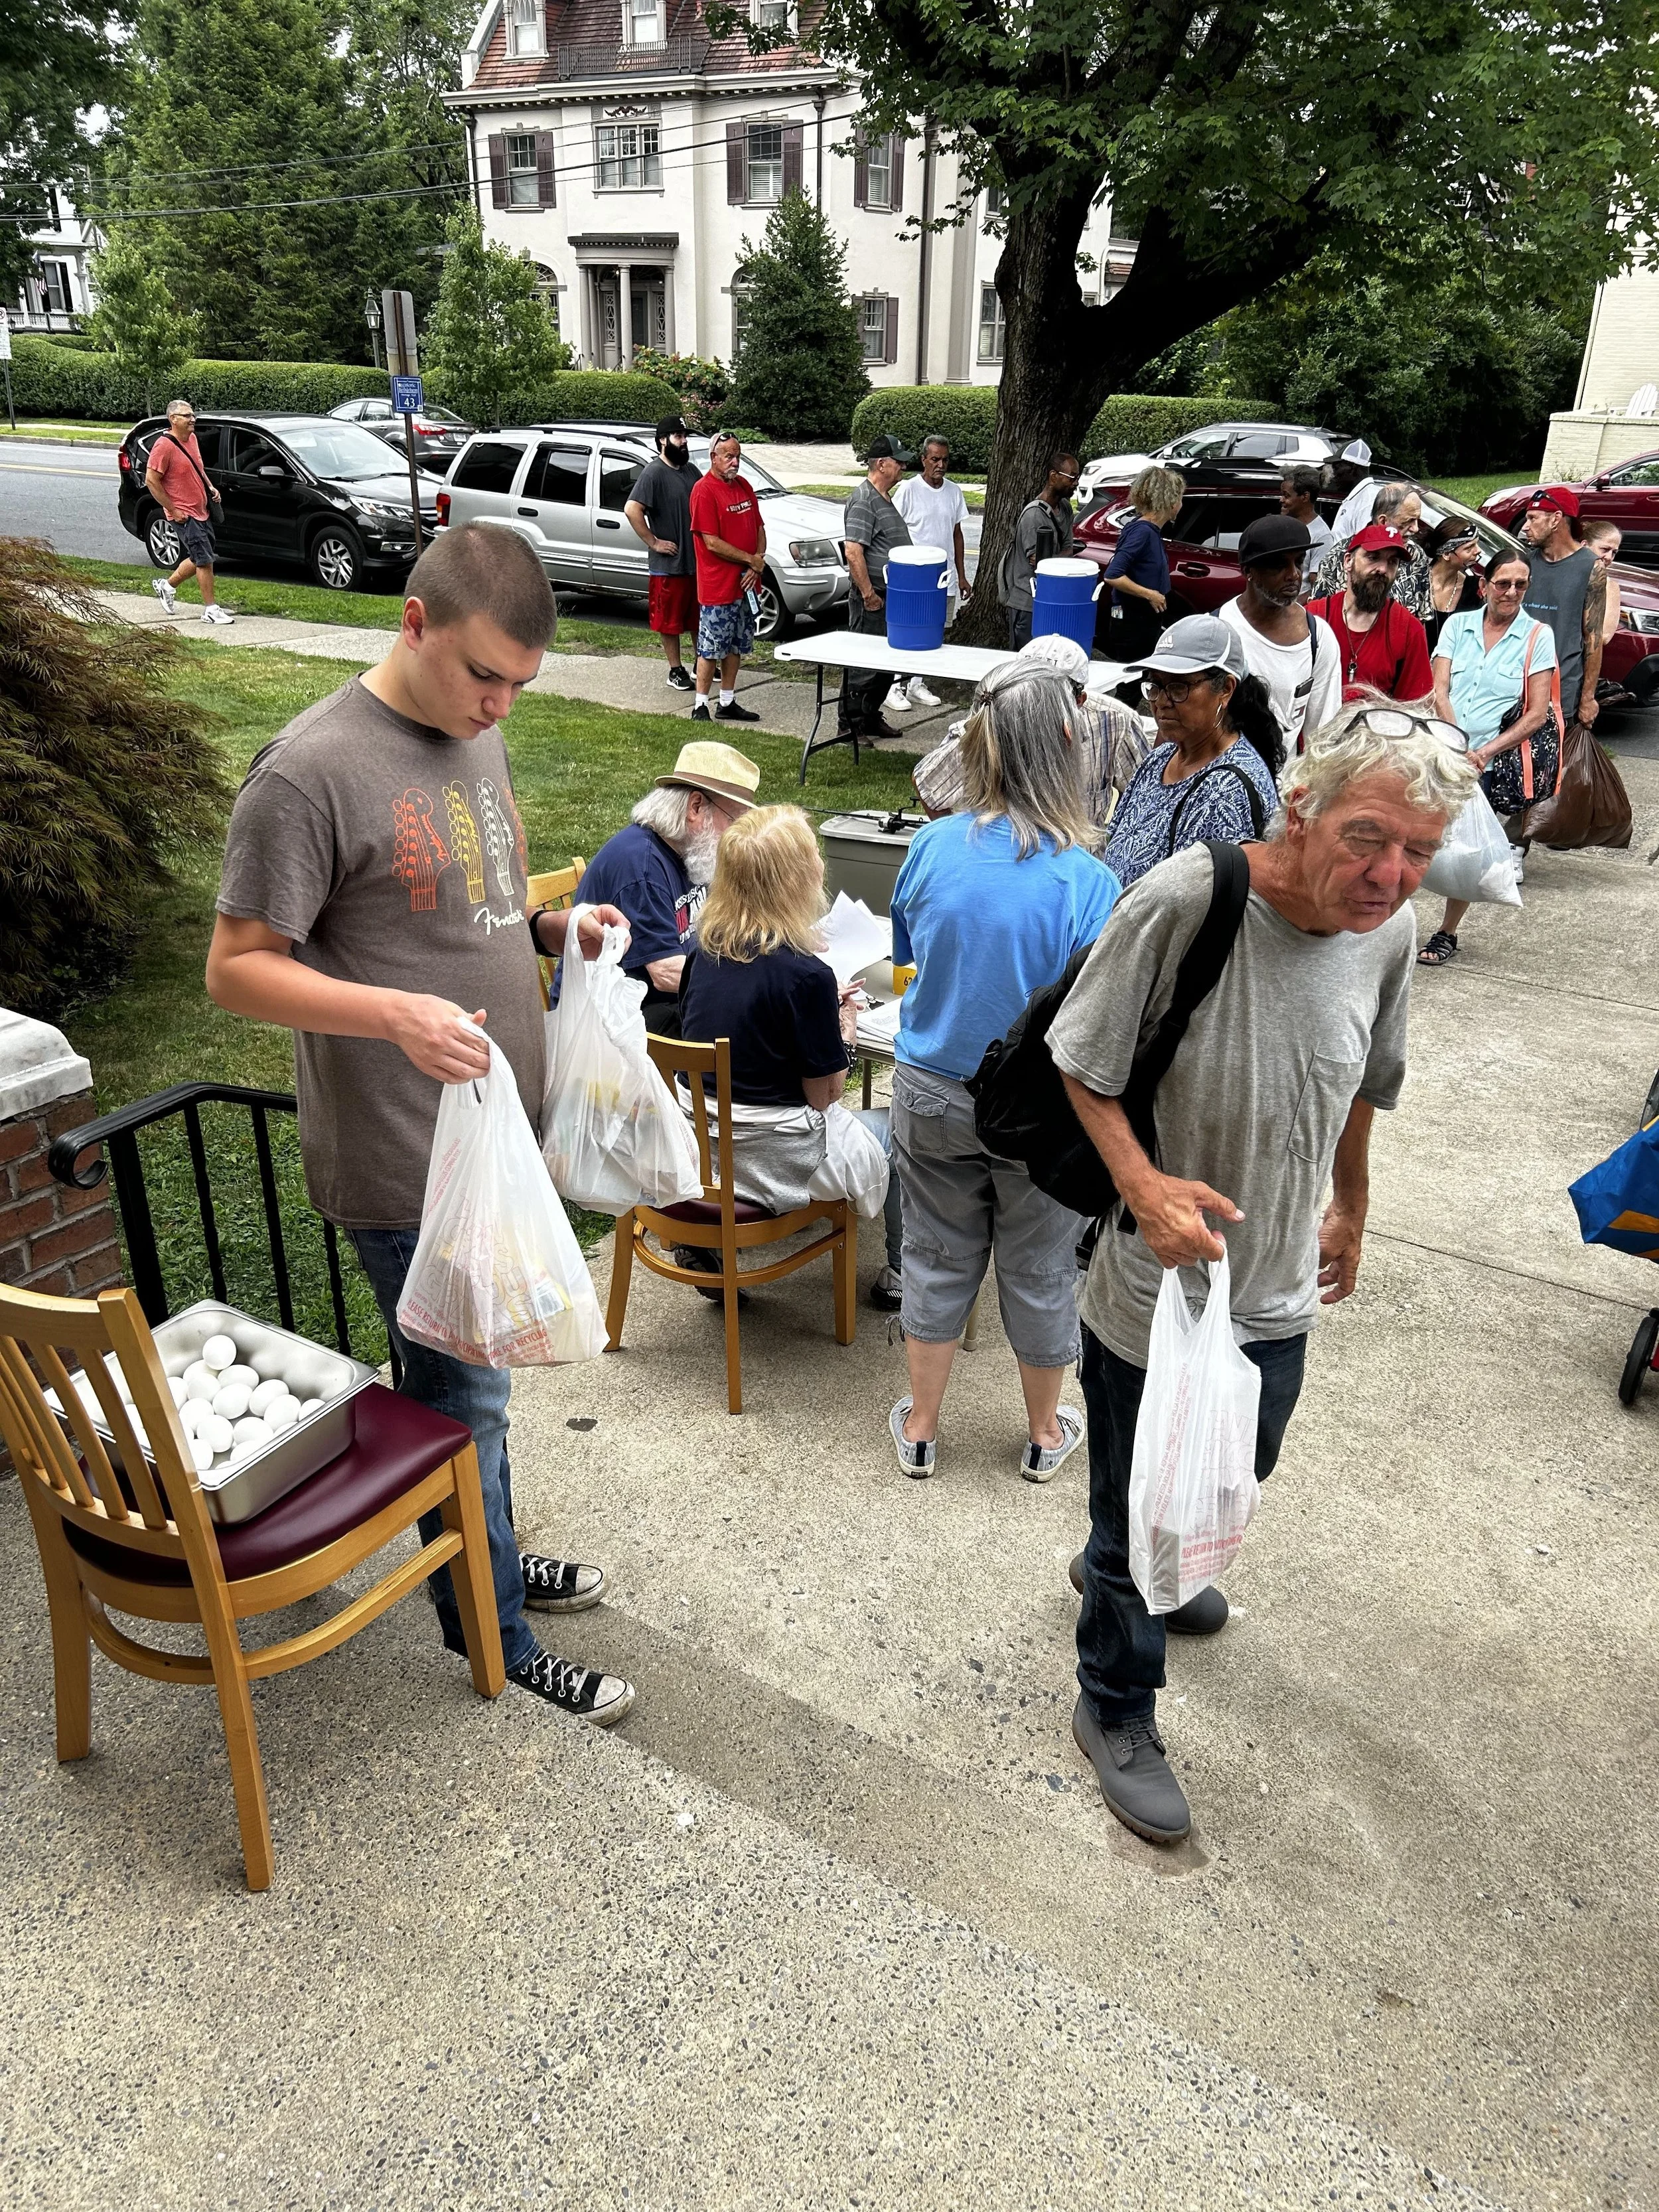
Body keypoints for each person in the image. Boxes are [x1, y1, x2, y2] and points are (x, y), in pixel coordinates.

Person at [205, 523, 636, 1725]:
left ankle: (481, 1548)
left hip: (496, 1147)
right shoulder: (308, 771)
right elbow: (235, 970)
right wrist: (392, 1014)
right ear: (415, 621)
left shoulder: (471, 736)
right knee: (470, 1399)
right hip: (408, 1161)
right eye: (484, 674)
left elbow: (471, 906)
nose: (501, 705)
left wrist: (552, 934)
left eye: (520, 685)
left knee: (469, 1394)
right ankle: (493, 1628)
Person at [1049, 709, 1477, 1843]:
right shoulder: (1188, 901)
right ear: (1301, 807)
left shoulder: (1385, 933)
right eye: (1369, 837)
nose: (1391, 876)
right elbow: (1078, 1059)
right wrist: (1143, 1185)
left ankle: (1155, 1562)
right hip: (1154, 1293)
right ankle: (1115, 1704)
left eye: (1420, 853)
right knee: (1132, 1522)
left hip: (1278, 1286)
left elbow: (1364, 1080)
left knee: (1240, 1464)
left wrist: (1355, 1204)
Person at [887, 660, 1121, 1481]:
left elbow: (906, 961)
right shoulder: (1090, 882)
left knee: (935, 1255)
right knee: (1039, 1268)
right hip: (1036, 1109)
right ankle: (1041, 1434)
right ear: (1066, 750)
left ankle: (920, 1426)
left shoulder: (929, 845)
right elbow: (1096, 1016)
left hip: (928, 1088)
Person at [678, 804, 902, 1307]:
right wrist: (841, 1027)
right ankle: (903, 1275)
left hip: (706, 1151)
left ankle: (709, 1245)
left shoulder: (702, 951)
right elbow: (825, 1096)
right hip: (776, 1156)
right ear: (797, 881)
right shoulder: (807, 977)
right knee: (906, 1128)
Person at [1417, 551, 1558, 968]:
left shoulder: (1537, 636)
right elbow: (1439, 690)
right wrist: (1456, 742)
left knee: (1464, 849)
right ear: (1484, 586)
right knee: (1410, 834)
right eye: (1503, 583)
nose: (1512, 592)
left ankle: (1447, 932)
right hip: (1441, 750)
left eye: (1521, 584)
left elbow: (1536, 713)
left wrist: (1484, 753)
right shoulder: (1458, 627)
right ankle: (1386, 917)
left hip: (1487, 765)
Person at [571, 740, 760, 1033]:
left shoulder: (690, 850)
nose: (737, 836)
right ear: (696, 807)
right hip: (609, 1024)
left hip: (654, 1007)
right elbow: (666, 973)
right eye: (734, 821)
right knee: (755, 1035)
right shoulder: (642, 867)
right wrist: (756, 984)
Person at [1103, 615, 1284, 886]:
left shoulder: (1228, 793)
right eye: (1155, 686)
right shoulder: (1160, 760)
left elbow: (1201, 907)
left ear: (1226, 689)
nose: (1162, 702)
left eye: (1178, 687)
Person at [910, 633, 1149, 831]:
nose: (1038, 709)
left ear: (1080, 700)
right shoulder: (989, 719)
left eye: (1051, 699)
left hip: (1080, 869)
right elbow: (930, 785)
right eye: (1029, 692)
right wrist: (960, 845)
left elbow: (1145, 800)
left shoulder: (1116, 720)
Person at [1219, 515, 1342, 753]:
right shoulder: (1218, 631)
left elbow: (1323, 733)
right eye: (1279, 565)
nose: (1294, 575)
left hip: (1287, 784)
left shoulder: (1317, 637)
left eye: (1299, 562)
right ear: (1248, 571)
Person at [839, 433, 914, 744]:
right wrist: (869, 594)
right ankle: (849, 723)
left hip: (891, 596)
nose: (903, 467)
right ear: (881, 464)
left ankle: (870, 716)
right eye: (898, 462)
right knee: (863, 662)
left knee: (886, 663)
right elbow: (853, 550)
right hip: (873, 596)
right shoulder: (863, 499)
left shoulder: (884, 498)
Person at [891, 433, 974, 712]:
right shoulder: (908, 490)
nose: (940, 465)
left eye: (945, 460)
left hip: (944, 577)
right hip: (915, 579)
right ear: (923, 459)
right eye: (935, 459)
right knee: (909, 631)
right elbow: (895, 532)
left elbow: (957, 534)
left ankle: (916, 684)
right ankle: (894, 686)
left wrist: (961, 575)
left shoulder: (954, 492)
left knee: (934, 632)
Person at [1305, 524, 1434, 701]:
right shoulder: (1314, 617)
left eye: (1392, 562)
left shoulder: (1408, 630)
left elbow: (1413, 705)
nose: (1383, 569)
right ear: (1348, 561)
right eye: (1373, 557)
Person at [687, 432, 765, 724]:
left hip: (745, 585)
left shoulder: (744, 486)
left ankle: (728, 701)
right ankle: (700, 706)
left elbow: (759, 528)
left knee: (736, 646)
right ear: (714, 458)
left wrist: (755, 566)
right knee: (711, 647)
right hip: (718, 586)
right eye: (729, 457)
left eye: (738, 456)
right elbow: (712, 542)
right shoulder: (703, 491)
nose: (735, 462)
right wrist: (750, 560)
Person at [1517, 490, 1606, 735]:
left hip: (1560, 689)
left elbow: (1594, 639)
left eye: (1533, 518)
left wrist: (1588, 698)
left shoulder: (1591, 567)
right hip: (1516, 682)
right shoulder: (1525, 563)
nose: (1525, 527)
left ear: (1556, 519)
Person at [624, 413, 699, 693]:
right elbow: (632, 509)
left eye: (685, 436)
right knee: (670, 621)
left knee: (697, 617)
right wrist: (653, 542)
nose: (684, 442)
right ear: (663, 441)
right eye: (678, 437)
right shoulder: (653, 473)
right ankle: (675, 670)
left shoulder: (691, 471)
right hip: (668, 566)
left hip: (694, 563)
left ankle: (700, 664)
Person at [147, 399, 234, 625]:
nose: (192, 419)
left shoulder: (192, 439)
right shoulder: (163, 446)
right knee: (205, 560)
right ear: (173, 419)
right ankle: (210, 610)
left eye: (193, 415)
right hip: (185, 514)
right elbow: (152, 481)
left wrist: (210, 487)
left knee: (198, 557)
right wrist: (173, 510)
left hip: (201, 509)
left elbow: (199, 467)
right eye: (186, 416)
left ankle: (167, 586)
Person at [1101, 464, 1184, 670]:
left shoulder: (1147, 530)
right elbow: (1113, 575)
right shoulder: (1143, 532)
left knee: (1139, 679)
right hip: (1132, 621)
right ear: (1170, 501)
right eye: (1180, 499)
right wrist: (1150, 595)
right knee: (1130, 682)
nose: (1182, 505)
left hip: (1141, 620)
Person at [1309, 483, 1430, 616]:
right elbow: (1319, 618)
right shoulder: (1339, 555)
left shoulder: (1416, 556)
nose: (1416, 528)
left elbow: (1422, 615)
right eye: (1409, 521)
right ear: (1383, 521)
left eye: (1417, 520)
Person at [1000, 451, 1080, 648]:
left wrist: (1054, 560)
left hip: (1049, 600)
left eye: (1077, 477)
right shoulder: (1034, 516)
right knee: (1025, 662)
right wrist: (1057, 561)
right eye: (1072, 477)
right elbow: (1041, 565)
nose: (1076, 483)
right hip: (1026, 603)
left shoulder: (1065, 508)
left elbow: (1067, 550)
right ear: (1054, 477)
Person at [1582, 520, 1637, 710]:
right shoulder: (1564, 576)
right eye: (1604, 549)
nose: (1609, 557)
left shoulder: (1610, 587)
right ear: (1584, 546)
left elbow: (1604, 637)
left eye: (1614, 552)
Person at [1421, 518, 1485, 656]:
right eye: (1469, 548)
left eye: (1477, 544)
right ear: (1446, 554)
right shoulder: (1416, 584)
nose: (1478, 551)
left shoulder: (1474, 588)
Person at [1279, 465, 1333, 588]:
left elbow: (1317, 587)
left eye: (1286, 496)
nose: (1281, 500)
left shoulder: (1322, 536)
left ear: (1305, 497)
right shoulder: (1284, 524)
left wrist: (1293, 607)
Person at [1327, 439, 1379, 545]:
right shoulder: (1357, 496)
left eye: (1337, 468)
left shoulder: (1369, 501)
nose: (1334, 474)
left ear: (1352, 468)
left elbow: (1364, 547)